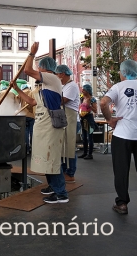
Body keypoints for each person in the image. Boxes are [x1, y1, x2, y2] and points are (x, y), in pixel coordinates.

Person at [11, 43, 68, 204]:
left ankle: (61, 193)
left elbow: (27, 70)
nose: (37, 69)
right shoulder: (44, 86)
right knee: (45, 158)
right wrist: (17, 88)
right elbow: (31, 102)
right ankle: (53, 186)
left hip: (51, 126)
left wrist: (31, 53)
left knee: (52, 158)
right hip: (43, 126)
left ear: (44, 68)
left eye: (39, 67)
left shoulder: (51, 77)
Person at [100, 60, 137, 215]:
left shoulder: (118, 87)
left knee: (121, 170)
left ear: (123, 72)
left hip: (123, 135)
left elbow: (103, 102)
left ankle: (122, 203)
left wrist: (109, 119)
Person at [55, 64, 80, 183]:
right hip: (66, 119)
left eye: (57, 74)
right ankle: (65, 171)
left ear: (62, 74)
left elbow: (63, 100)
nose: (56, 77)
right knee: (64, 146)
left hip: (71, 119)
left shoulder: (72, 86)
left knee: (69, 147)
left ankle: (70, 173)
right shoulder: (65, 86)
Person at [79, 84, 98, 160]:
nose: (82, 91)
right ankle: (85, 152)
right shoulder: (82, 98)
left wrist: (89, 105)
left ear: (87, 91)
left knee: (89, 137)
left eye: (84, 90)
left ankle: (90, 154)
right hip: (83, 118)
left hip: (89, 118)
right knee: (84, 137)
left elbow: (95, 110)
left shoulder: (92, 99)